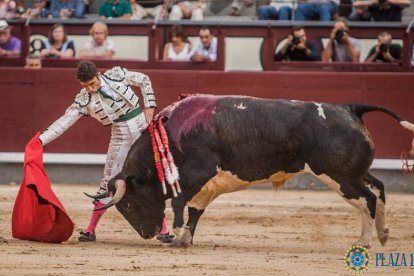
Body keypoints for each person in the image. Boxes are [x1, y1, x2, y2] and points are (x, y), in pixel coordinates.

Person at [38, 60, 173, 242]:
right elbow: (64, 122)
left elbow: (144, 79)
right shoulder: (84, 100)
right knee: (108, 182)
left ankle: (163, 231)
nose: (91, 89)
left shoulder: (116, 75)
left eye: (93, 83)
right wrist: (40, 140)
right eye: (86, 86)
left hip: (143, 131)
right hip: (120, 137)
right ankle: (90, 230)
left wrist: (149, 106)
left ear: (99, 75)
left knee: (150, 179)